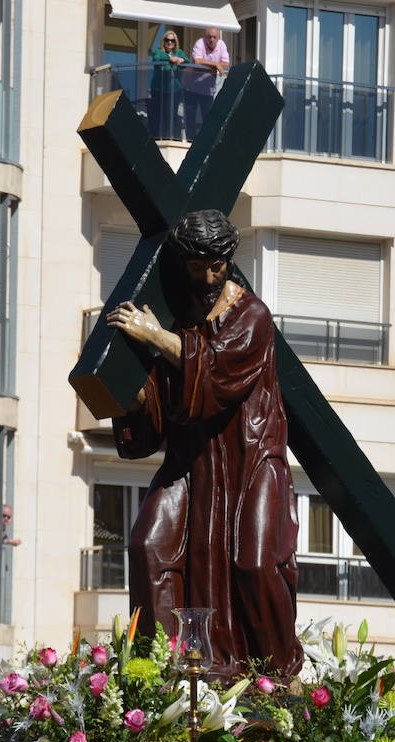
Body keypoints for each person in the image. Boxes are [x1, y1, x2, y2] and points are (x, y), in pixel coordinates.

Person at [106, 210, 300, 677]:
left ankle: (276, 678)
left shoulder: (252, 316)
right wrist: (135, 396)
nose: (210, 275)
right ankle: (165, 670)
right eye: (199, 266)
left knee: (253, 564)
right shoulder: (182, 313)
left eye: (218, 264)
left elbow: (213, 375)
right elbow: (168, 400)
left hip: (249, 460)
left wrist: (156, 336)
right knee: (148, 544)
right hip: (193, 462)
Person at [183, 28, 230, 138]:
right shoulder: (200, 43)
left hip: (207, 90)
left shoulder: (221, 45)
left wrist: (210, 66)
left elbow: (226, 64)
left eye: (214, 37)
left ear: (218, 38)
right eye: (209, 37)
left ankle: (205, 140)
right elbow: (197, 61)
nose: (211, 40)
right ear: (206, 37)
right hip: (191, 87)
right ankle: (190, 141)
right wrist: (216, 65)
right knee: (190, 117)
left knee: (207, 118)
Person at [147, 32, 189, 140]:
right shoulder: (158, 51)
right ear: (163, 41)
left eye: (172, 40)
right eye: (167, 40)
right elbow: (156, 57)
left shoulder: (179, 52)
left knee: (174, 116)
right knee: (159, 115)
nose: (170, 42)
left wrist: (182, 60)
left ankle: (175, 138)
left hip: (175, 90)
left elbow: (188, 60)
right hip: (159, 90)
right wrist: (170, 58)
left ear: (176, 42)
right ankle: (157, 138)